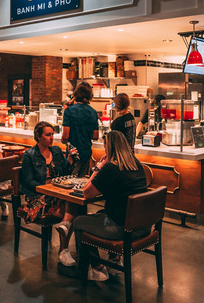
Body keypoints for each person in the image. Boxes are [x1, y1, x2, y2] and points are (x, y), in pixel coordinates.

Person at [72, 131, 149, 281]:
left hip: (123, 229)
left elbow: (87, 193)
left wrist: (98, 168)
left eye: (105, 146)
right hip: (143, 226)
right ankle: (114, 258)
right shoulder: (136, 163)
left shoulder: (111, 168)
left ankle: (96, 268)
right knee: (103, 213)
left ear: (110, 148)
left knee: (79, 222)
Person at [19, 121, 80, 266]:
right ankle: (65, 249)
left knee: (74, 202)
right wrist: (48, 188)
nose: (52, 138)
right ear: (38, 136)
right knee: (74, 208)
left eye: (53, 134)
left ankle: (65, 237)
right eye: (48, 135)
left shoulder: (57, 151)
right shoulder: (29, 155)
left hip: (57, 193)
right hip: (37, 198)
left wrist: (71, 161)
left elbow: (65, 174)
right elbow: (28, 182)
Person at [61, 82, 99, 176]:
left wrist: (63, 140)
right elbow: (95, 136)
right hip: (86, 153)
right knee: (81, 184)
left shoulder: (69, 111)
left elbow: (66, 135)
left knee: (68, 180)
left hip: (73, 154)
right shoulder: (93, 112)